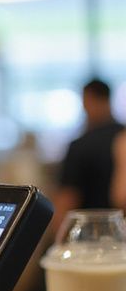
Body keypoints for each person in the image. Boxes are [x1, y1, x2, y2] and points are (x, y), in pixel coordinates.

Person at [51, 78, 123, 235]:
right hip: (120, 234)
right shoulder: (122, 136)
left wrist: (58, 240)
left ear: (87, 100)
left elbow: (67, 199)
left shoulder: (81, 146)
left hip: (88, 236)